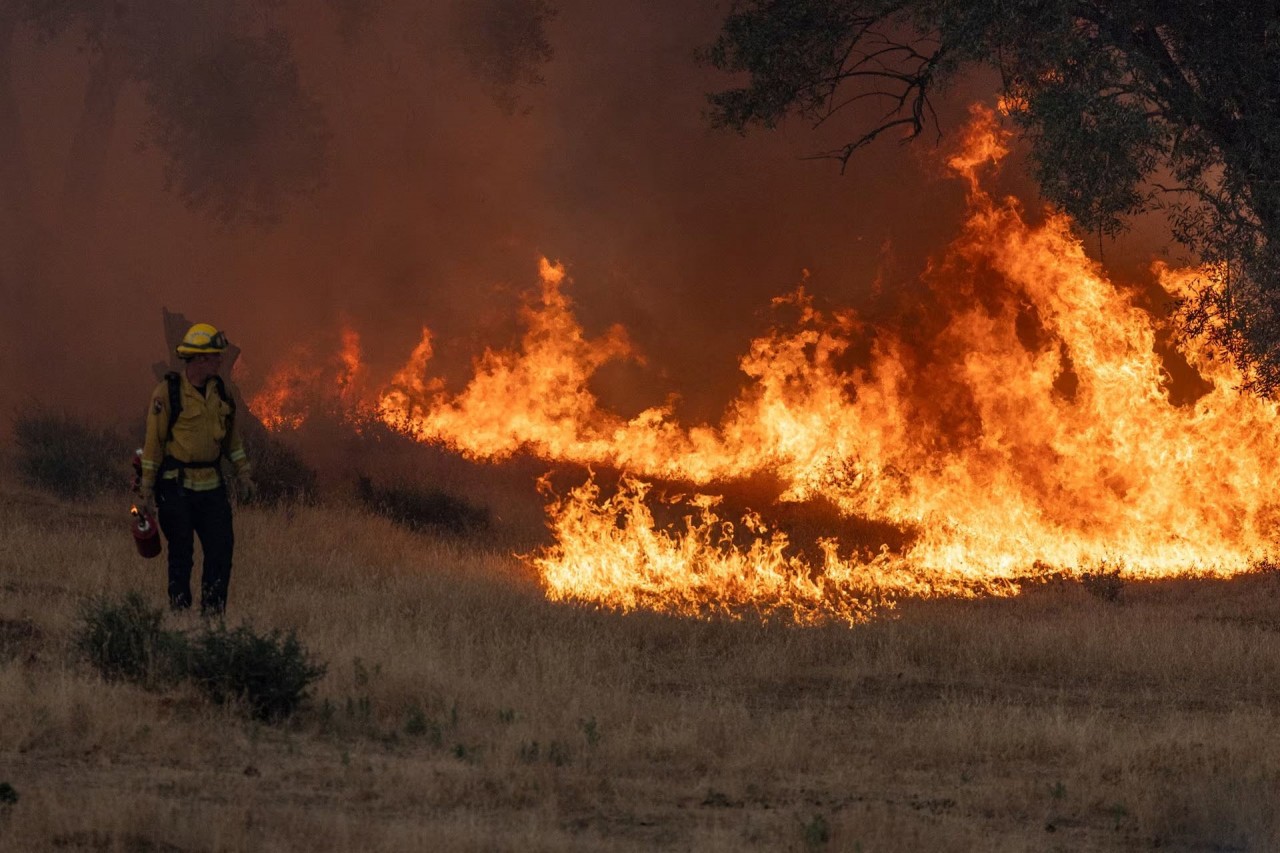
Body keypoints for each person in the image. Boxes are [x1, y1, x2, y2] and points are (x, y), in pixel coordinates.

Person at [137, 323, 255, 616]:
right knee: (181, 554)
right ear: (201, 359)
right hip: (176, 489)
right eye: (216, 356)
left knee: (221, 551)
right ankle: (179, 613)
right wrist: (146, 491)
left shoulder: (222, 393)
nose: (221, 361)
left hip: (212, 489)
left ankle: (213, 618)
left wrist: (243, 473)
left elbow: (232, 441)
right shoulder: (167, 394)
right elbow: (153, 445)